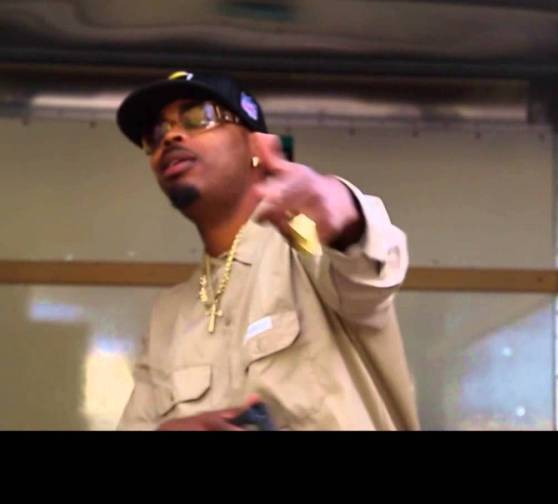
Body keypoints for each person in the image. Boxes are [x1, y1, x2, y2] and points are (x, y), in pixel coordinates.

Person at [114, 70, 419, 430]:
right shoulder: (169, 315)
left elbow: (361, 267)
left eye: (199, 117)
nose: (171, 136)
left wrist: (342, 213)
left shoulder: (302, 244)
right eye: (155, 134)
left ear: (255, 148)